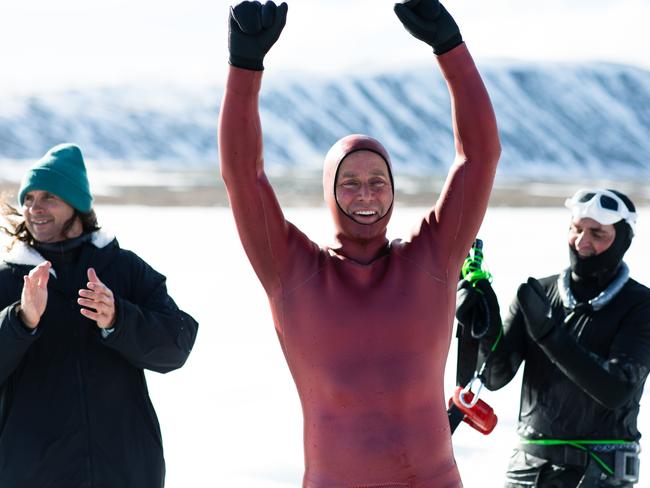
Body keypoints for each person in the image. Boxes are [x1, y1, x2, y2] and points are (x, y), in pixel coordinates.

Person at [219, 0, 500, 486]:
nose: (366, 193)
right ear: (329, 190)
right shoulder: (291, 271)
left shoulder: (432, 258)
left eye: (378, 180)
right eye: (349, 182)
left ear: (393, 188)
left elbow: (479, 156)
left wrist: (449, 47)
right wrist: (245, 66)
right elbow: (244, 176)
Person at [0, 143, 199, 487]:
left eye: (49, 197)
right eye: (29, 198)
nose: (34, 208)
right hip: (31, 474)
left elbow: (176, 344)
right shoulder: (7, 279)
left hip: (126, 472)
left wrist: (119, 320)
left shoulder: (124, 269)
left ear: (76, 206)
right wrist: (20, 321)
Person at [456, 189, 650, 487]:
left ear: (623, 240)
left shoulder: (640, 306)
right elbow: (495, 376)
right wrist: (484, 319)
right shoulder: (538, 295)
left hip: (598, 473)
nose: (583, 242)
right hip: (528, 473)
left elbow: (616, 389)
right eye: (576, 229)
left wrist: (549, 335)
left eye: (598, 234)